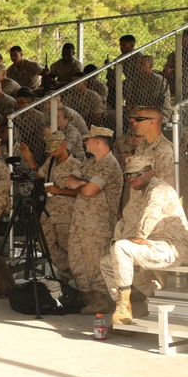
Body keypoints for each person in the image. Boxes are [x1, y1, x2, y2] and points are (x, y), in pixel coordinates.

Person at [101, 156, 188, 326]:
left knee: (121, 248)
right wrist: (124, 241)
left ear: (150, 173)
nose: (132, 179)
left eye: (137, 174)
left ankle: (124, 308)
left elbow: (151, 214)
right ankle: (148, 296)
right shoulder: (139, 193)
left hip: (173, 246)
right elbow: (128, 220)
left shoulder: (159, 189)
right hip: (154, 245)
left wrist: (138, 237)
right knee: (108, 262)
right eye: (128, 175)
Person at [65, 126, 123, 314]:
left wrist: (83, 186)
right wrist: (83, 184)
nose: (85, 142)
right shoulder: (90, 164)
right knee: (77, 261)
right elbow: (70, 180)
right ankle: (87, 297)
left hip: (98, 225)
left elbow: (90, 191)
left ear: (98, 141)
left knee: (96, 263)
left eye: (88, 139)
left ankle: (101, 299)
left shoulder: (109, 164)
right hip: (81, 223)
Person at [21, 131, 80, 282]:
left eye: (55, 149)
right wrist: (28, 155)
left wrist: (59, 190)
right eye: (50, 150)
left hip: (66, 213)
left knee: (67, 246)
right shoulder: (51, 161)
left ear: (64, 145)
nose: (52, 153)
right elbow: (39, 173)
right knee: (44, 244)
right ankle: (67, 270)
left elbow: (82, 192)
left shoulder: (76, 165)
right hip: (49, 212)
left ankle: (72, 279)